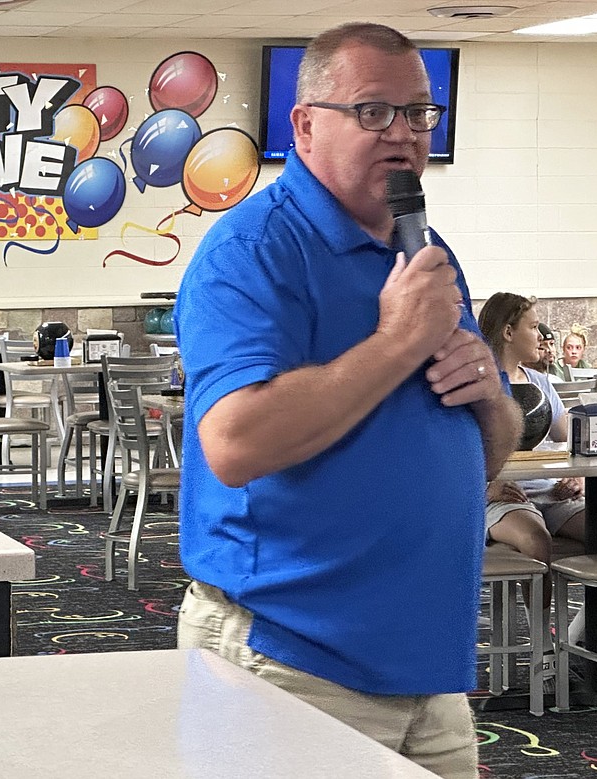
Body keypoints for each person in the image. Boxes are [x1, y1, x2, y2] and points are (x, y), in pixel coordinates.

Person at [172, 23, 521, 779]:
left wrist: (492, 399)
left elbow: (474, 453)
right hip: (294, 657)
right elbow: (235, 443)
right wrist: (396, 342)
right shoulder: (253, 251)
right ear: (304, 124)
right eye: (372, 112)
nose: (402, 135)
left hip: (428, 663)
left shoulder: (422, 249)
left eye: (419, 113)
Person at [477, 293, 597, 651]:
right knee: (537, 540)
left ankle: (580, 634)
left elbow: (570, 436)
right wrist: (486, 490)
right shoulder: (479, 384)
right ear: (509, 332)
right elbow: (457, 452)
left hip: (551, 492)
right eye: (533, 326)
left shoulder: (539, 383)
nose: (541, 335)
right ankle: (544, 646)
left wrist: (582, 475)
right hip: (501, 496)